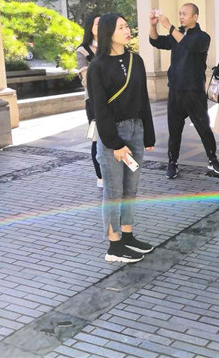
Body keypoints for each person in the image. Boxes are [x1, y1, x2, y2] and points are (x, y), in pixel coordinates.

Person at [87, 13, 155, 263]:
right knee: (113, 191)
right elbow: (99, 108)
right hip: (113, 134)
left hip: (136, 129)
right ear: (108, 32)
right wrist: (114, 143)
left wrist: (148, 134)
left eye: (127, 26)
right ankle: (114, 246)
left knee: (130, 188)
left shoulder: (136, 60)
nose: (127, 31)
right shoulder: (97, 65)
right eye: (121, 27)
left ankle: (127, 235)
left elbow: (143, 98)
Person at [149, 4, 219, 179]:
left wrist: (169, 26)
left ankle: (213, 160)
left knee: (203, 127)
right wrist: (153, 25)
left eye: (185, 14)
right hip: (175, 90)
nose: (181, 16)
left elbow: (188, 44)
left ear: (195, 17)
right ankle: (172, 162)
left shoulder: (203, 37)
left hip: (194, 91)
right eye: (180, 13)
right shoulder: (176, 34)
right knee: (174, 130)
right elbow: (156, 41)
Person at [76, 13, 102, 188]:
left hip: (115, 100)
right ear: (90, 28)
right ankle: (100, 176)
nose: (100, 26)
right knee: (97, 138)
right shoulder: (83, 50)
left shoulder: (112, 46)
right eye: (97, 24)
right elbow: (86, 79)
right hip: (93, 100)